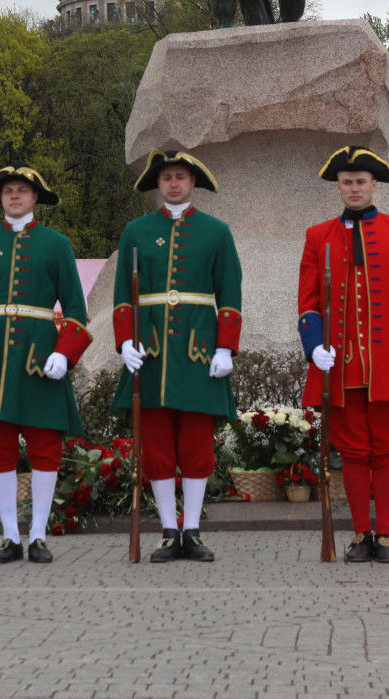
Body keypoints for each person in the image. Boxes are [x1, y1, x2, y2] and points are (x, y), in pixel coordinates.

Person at [297, 147, 389, 564]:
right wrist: (313, 345)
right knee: (354, 451)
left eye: (361, 181)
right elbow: (307, 301)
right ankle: (360, 533)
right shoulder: (317, 236)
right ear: (338, 187)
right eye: (346, 182)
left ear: (375, 185)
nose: (354, 188)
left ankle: (387, 535)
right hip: (341, 365)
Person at [0, 165, 91, 564]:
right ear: (0, 198)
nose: (14, 196)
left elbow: (77, 307)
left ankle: (39, 535)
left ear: (35, 198)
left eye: (22, 191)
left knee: (46, 446)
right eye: (8, 191)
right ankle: (11, 536)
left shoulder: (57, 244)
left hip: (39, 354)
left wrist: (65, 351)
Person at [111, 149, 242, 563]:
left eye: (180, 176)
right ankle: (169, 530)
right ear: (158, 184)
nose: (173, 183)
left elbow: (230, 294)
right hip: (150, 351)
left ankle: (192, 530)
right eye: (166, 177)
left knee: (197, 445)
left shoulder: (217, 231)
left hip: (198, 350)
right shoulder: (135, 230)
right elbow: (122, 297)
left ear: (192, 182)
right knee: (157, 448)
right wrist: (125, 341)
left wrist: (226, 346)